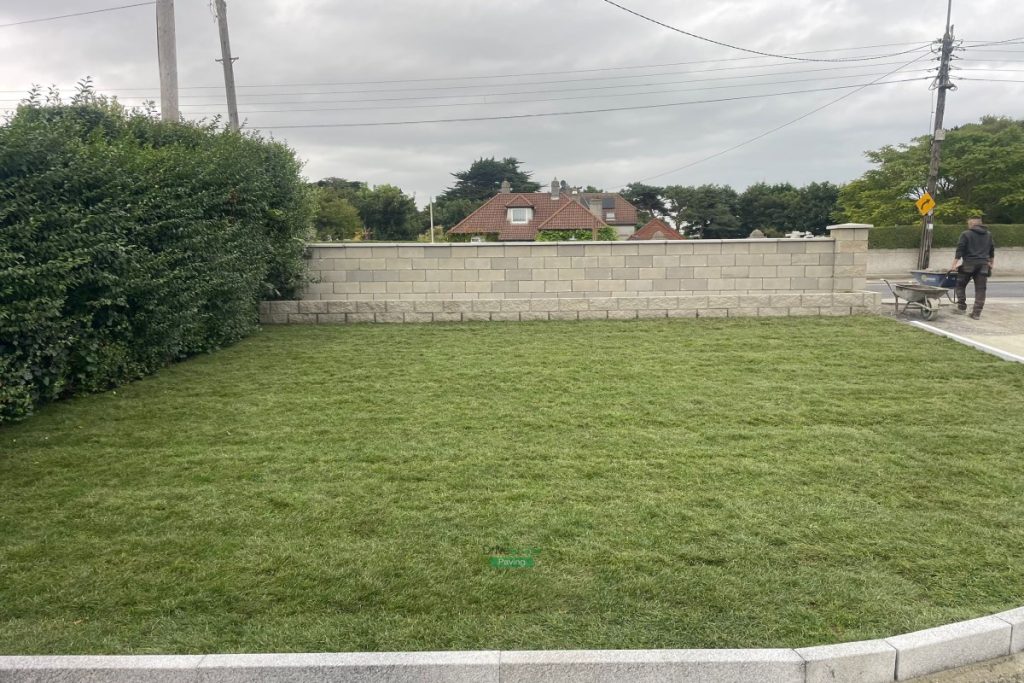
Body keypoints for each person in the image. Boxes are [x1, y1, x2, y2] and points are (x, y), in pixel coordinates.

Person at [950, 217, 995, 319]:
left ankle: (961, 307)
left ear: (971, 224)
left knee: (960, 285)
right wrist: (991, 263)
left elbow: (960, 250)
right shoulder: (988, 234)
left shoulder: (966, 234)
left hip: (968, 264)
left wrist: (954, 265)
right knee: (981, 289)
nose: (968, 226)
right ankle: (976, 313)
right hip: (983, 265)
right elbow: (991, 250)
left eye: (968, 224)